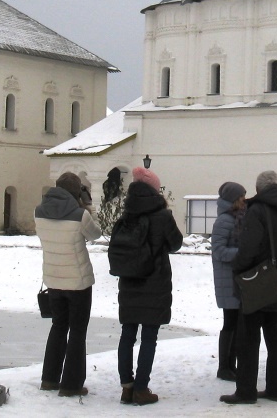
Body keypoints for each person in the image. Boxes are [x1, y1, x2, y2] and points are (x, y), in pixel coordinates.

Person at [220, 170, 277, 405]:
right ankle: (275, 388)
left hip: (258, 281)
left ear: (259, 189)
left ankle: (245, 390)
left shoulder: (257, 210)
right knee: (274, 335)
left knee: (248, 337)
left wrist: (238, 267)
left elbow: (249, 248)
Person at [115, 166, 184, 406]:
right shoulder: (162, 216)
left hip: (130, 283)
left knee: (127, 334)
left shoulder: (126, 215)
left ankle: (127, 387)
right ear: (155, 191)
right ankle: (142, 388)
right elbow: (176, 244)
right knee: (149, 338)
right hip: (155, 284)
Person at [34, 171, 102, 397]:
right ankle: (71, 384)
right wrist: (88, 207)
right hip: (79, 281)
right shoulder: (79, 214)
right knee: (77, 332)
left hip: (53, 278)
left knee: (58, 326)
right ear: (76, 192)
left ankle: (49, 379)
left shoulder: (39, 212)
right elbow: (96, 235)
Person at [210, 181, 247, 382]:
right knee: (230, 323)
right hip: (228, 280)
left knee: (236, 323)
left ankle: (230, 365)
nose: (244, 200)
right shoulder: (224, 220)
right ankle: (224, 366)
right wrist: (243, 253)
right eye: (241, 196)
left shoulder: (237, 217)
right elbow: (219, 251)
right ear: (234, 199)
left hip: (236, 279)